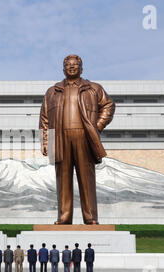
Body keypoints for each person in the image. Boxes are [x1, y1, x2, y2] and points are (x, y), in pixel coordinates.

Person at [39, 54, 115, 225]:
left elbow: (109, 105)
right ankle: (64, 217)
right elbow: (44, 118)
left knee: (86, 179)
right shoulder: (53, 91)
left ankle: (90, 217)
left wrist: (97, 126)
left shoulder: (93, 88)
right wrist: (45, 141)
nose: (72, 67)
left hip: (84, 137)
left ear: (81, 68)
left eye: (75, 65)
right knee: (63, 179)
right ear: (63, 68)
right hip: (60, 138)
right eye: (68, 65)